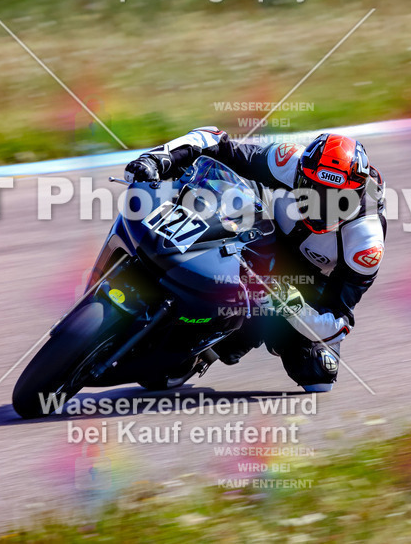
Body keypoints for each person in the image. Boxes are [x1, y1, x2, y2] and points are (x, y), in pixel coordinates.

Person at [125, 127, 387, 391]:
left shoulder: (366, 242)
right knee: (208, 186)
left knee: (317, 373)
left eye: (337, 200)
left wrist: (289, 303)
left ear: (356, 196)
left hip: (308, 285)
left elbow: (338, 321)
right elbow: (218, 142)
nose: (321, 207)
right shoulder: (290, 162)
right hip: (260, 232)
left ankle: (210, 350)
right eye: (313, 191)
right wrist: (158, 158)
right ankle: (154, 260)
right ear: (301, 176)